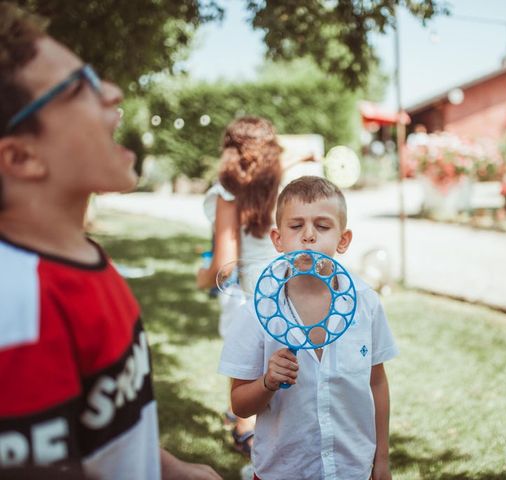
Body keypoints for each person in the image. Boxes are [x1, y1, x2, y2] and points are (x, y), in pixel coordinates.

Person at [0, 4, 221, 479]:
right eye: (81, 87)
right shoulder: (17, 312)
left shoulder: (81, 256)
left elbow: (95, 433)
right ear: (21, 157)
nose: (115, 92)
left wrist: (169, 468)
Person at [218, 176, 399, 480]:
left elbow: (377, 383)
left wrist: (381, 460)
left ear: (343, 240)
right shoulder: (257, 311)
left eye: (323, 226)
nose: (309, 236)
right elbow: (239, 405)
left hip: (352, 470)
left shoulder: (366, 302)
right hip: (282, 471)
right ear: (277, 239)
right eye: (296, 226)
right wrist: (267, 382)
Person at [196, 116, 282, 457]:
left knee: (248, 365)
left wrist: (201, 277)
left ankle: (245, 428)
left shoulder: (228, 191)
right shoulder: (281, 182)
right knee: (278, 360)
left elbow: (224, 260)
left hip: (249, 291)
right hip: (284, 281)